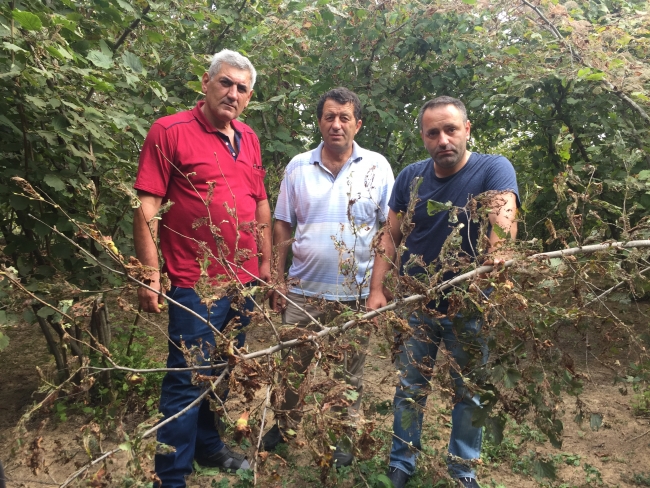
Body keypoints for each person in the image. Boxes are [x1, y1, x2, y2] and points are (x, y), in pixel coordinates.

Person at [133, 50, 271, 488]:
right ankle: (170, 477)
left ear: (249, 97)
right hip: (197, 282)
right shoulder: (169, 131)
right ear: (207, 83)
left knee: (223, 368)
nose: (233, 93)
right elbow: (148, 205)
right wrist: (150, 273)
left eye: (242, 88)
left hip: (244, 280)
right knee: (187, 377)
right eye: (225, 83)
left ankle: (209, 446)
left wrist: (266, 261)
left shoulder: (248, 137)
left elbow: (260, 201)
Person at [367, 96, 519, 488]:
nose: (443, 139)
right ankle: (402, 462)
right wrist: (377, 288)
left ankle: (463, 469)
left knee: (469, 390)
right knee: (410, 386)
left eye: (451, 129)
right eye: (433, 132)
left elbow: (503, 214)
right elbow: (390, 235)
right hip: (417, 301)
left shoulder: (493, 168)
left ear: (467, 129)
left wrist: (498, 251)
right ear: (423, 137)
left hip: (469, 302)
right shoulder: (411, 177)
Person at [262, 88, 394, 466]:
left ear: (358, 124)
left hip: (355, 296)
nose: (336, 124)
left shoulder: (378, 167)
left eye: (345, 118)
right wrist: (278, 279)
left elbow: (388, 228)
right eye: (329, 117)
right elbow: (283, 223)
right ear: (319, 122)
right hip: (302, 293)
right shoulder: (298, 166)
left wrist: (377, 288)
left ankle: (344, 437)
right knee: (291, 369)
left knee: (349, 375)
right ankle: (284, 426)